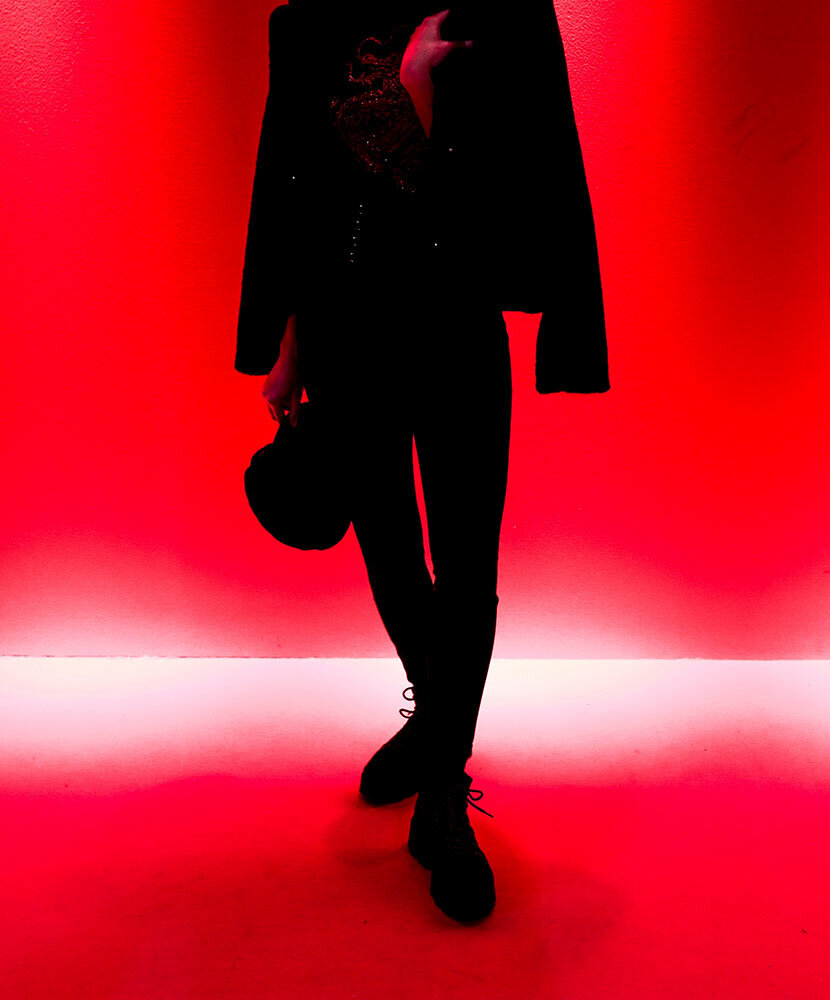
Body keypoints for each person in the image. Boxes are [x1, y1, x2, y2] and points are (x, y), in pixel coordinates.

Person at [234, 0, 609, 924]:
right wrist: (291, 345)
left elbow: (529, 177)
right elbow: (302, 190)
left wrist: (420, 95)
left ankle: (443, 799)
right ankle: (440, 727)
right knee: (391, 552)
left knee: (466, 563)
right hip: (346, 333)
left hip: (455, 325)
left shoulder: (494, 14)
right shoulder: (310, 22)